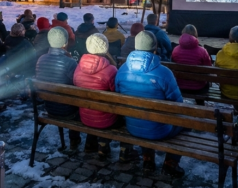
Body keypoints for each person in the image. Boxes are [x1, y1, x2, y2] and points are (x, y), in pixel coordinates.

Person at [116, 31, 185, 177]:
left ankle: (148, 159)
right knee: (185, 123)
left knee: (142, 116)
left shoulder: (122, 70)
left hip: (132, 126)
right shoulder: (164, 73)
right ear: (155, 48)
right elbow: (178, 105)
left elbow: (118, 94)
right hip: (160, 130)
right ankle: (170, 163)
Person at [74, 33, 140, 161]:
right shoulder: (111, 70)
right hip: (107, 121)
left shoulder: (78, 68)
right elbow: (118, 94)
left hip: (86, 117)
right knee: (126, 115)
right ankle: (125, 150)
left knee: (96, 107)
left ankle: (92, 143)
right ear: (105, 48)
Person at [34, 27, 81, 149]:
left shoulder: (41, 59)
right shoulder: (69, 62)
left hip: (49, 107)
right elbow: (76, 85)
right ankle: (74, 141)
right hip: (67, 110)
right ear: (65, 43)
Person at [171, 24, 213, 94]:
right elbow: (208, 68)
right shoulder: (202, 51)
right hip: (198, 87)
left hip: (180, 85)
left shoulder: (175, 50)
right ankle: (200, 103)